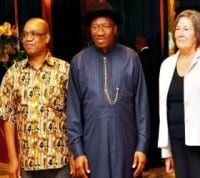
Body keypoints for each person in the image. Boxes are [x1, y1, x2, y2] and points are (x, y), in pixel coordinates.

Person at [66, 2, 150, 178]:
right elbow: (73, 111)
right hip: (92, 146)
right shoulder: (79, 62)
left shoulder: (131, 58)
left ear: (115, 28)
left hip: (126, 144)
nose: (100, 32)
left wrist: (141, 146)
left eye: (105, 26)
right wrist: (78, 151)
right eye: (95, 27)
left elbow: (142, 107)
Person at [157, 9, 200, 178]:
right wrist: (166, 150)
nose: (180, 33)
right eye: (178, 29)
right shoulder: (167, 65)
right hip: (177, 141)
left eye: (186, 29)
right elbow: (163, 109)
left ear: (198, 33)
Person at [0, 18, 73, 178]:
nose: (27, 39)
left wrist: (76, 152)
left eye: (34, 34)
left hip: (61, 161)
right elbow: (8, 117)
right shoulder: (13, 74)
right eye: (25, 34)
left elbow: (75, 114)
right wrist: (13, 159)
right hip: (28, 163)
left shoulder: (64, 70)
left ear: (47, 37)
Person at [135, 34, 162, 169]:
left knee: (146, 128)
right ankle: (157, 158)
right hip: (157, 99)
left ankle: (148, 159)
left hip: (144, 100)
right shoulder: (159, 56)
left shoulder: (137, 59)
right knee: (157, 127)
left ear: (139, 43)